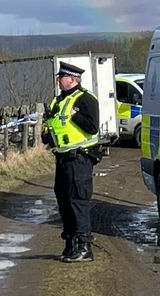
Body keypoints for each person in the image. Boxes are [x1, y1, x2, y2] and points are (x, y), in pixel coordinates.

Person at [42, 61, 100, 263]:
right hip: (62, 158)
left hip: (80, 158)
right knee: (64, 201)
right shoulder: (56, 101)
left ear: (72, 79)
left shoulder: (85, 99)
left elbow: (93, 127)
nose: (58, 80)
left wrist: (76, 116)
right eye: (59, 77)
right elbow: (51, 125)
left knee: (78, 201)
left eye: (62, 77)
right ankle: (71, 243)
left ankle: (85, 246)